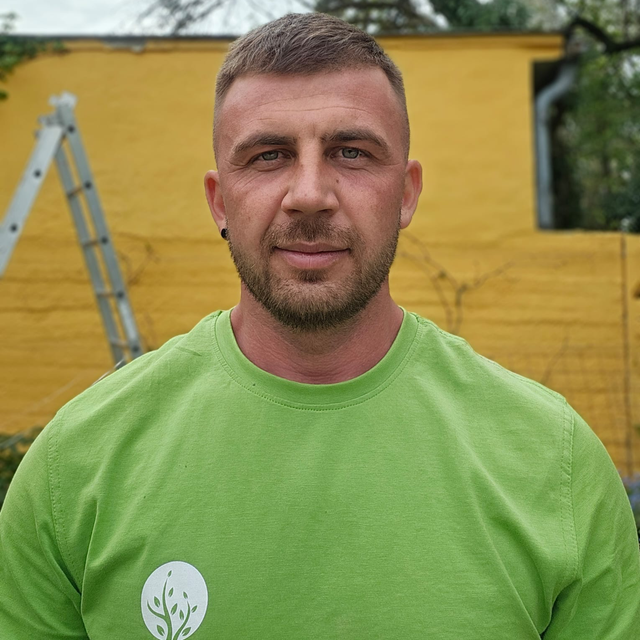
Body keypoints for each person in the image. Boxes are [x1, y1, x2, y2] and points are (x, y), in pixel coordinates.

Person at [0, 12, 638, 640]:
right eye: (269, 156)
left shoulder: (554, 464)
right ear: (220, 201)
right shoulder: (75, 467)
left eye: (351, 153)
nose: (309, 194)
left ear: (406, 193)